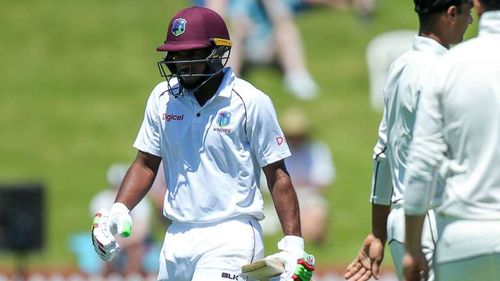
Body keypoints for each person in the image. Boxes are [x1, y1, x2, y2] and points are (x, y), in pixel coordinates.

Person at [91, 6, 315, 281]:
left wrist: (294, 243)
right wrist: (119, 209)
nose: (182, 63)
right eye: (177, 55)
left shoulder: (250, 101)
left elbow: (278, 175)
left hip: (231, 233)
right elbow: (146, 163)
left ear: (216, 53)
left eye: (193, 54)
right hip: (177, 236)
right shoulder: (162, 97)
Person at [344, 0, 473, 280]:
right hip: (437, 224)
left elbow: (383, 152)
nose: (471, 21)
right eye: (468, 13)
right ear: (451, 14)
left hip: (401, 226)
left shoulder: (400, 66)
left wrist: (378, 232)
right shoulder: (446, 70)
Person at [403, 1, 500, 280]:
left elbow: (422, 161)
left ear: (478, 5)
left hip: (464, 240)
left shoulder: (448, 65)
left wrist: (412, 247)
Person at [197, 0, 320, 100]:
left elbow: (282, 18)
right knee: (228, 36)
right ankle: (228, 84)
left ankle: (298, 77)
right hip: (238, 46)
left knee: (286, 30)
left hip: (268, 44)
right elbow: (212, 19)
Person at [280, 107, 335, 244]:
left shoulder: (317, 150)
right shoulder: (279, 153)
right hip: (285, 197)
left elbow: (323, 182)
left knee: (316, 217)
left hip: (311, 197)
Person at [89, 163, 154, 276]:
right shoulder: (102, 199)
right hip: (112, 238)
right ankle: (106, 277)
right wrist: (113, 241)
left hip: (132, 241)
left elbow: (142, 230)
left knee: (136, 248)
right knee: (105, 246)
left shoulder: (141, 202)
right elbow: (99, 226)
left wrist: (124, 241)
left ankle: (133, 276)